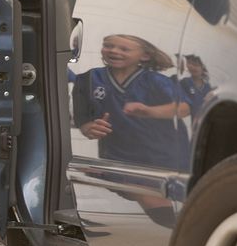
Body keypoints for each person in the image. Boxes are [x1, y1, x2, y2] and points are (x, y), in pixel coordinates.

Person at [73, 34, 187, 170]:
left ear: (144, 56)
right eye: (108, 46)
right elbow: (81, 116)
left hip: (159, 157)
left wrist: (149, 111)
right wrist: (87, 128)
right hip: (115, 157)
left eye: (124, 49)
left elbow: (184, 108)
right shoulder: (89, 78)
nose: (114, 51)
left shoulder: (156, 81)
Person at [178, 54, 212, 118]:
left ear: (202, 67)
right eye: (191, 65)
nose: (194, 67)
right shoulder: (185, 82)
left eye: (196, 65)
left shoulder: (208, 87)